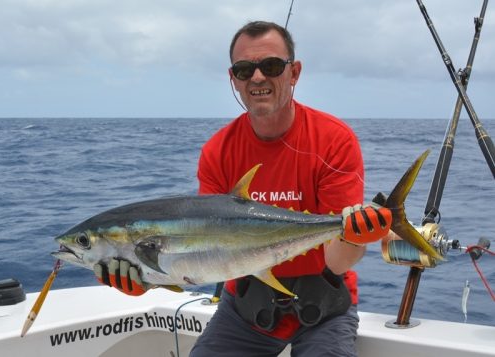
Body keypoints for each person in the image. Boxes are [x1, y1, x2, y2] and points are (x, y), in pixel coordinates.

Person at [94, 21, 392, 357]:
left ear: (294, 73)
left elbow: (338, 263)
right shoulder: (218, 150)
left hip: (324, 308)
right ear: (233, 79)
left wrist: (353, 236)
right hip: (246, 311)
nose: (258, 77)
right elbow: (204, 256)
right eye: (244, 69)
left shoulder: (334, 140)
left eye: (272, 66)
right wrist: (148, 279)